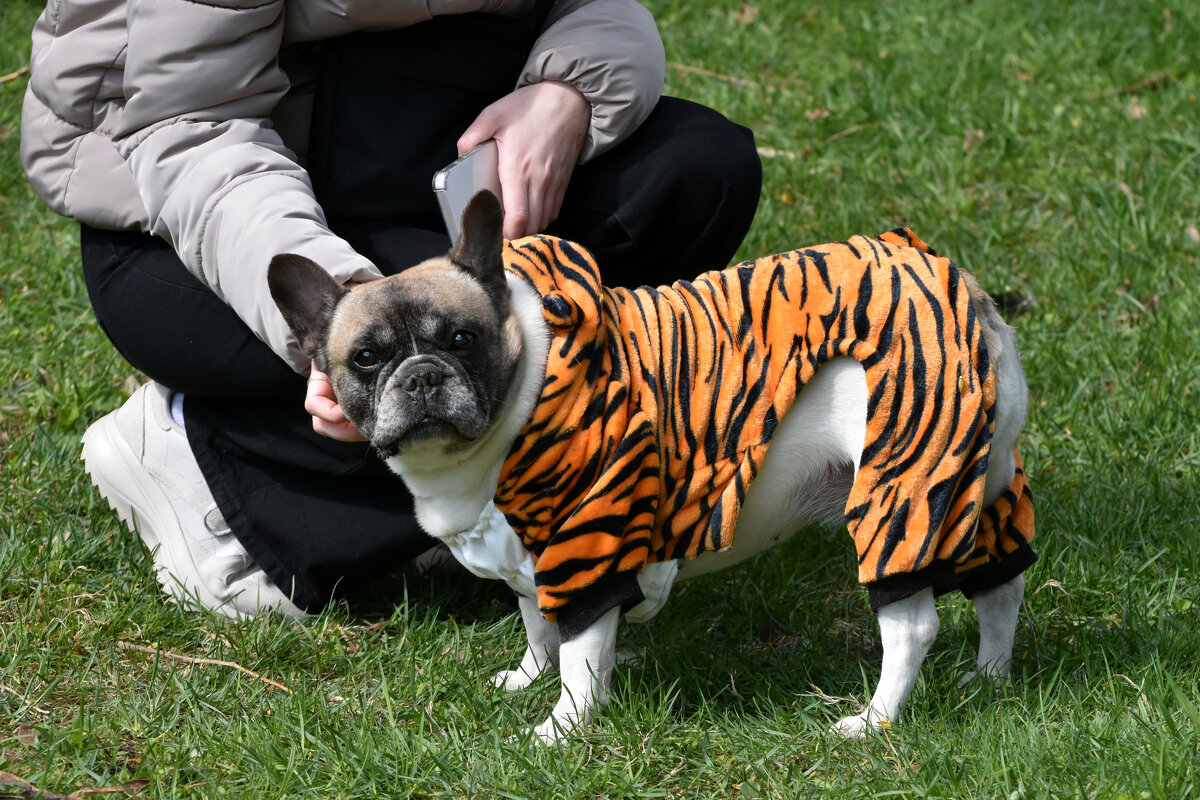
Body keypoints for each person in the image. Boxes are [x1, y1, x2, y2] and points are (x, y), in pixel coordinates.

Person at [20, 0, 762, 619]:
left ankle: (507, 497)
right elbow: (193, 129)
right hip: (200, 210)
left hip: (439, 159)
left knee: (697, 174)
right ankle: (208, 460)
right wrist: (341, 317)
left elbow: (593, 5)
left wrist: (569, 90)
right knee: (422, 363)